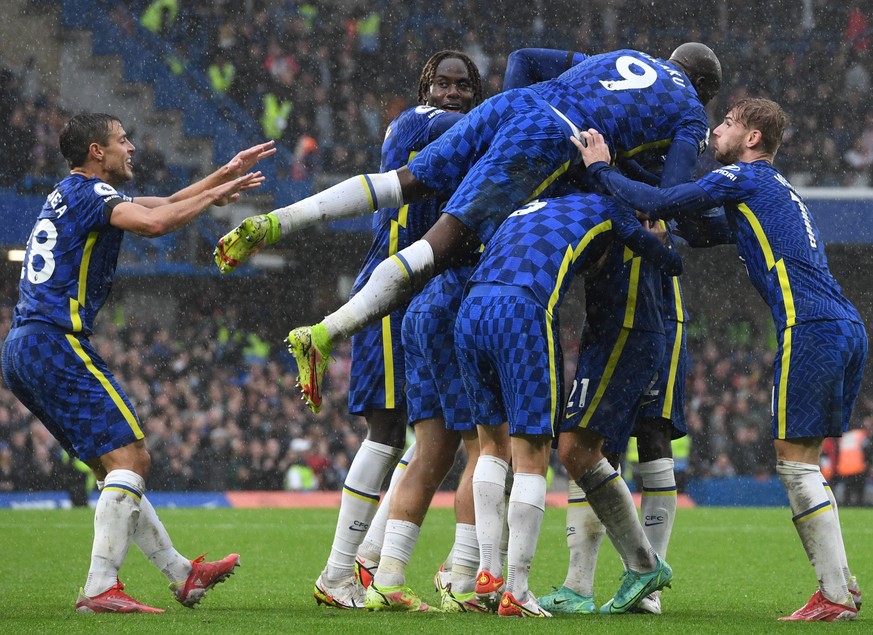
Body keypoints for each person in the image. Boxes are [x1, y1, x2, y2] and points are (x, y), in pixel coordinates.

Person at [213, 43, 722, 412]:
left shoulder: (623, 54)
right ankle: (326, 332)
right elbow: (668, 197)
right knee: (441, 244)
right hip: (549, 138)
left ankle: (278, 220)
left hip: (516, 104)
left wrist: (518, 124)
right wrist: (609, 170)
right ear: (704, 91)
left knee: (403, 181)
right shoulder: (690, 114)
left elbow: (524, 56)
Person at [577, 97, 866, 622]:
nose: (716, 130)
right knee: (805, 460)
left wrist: (601, 168)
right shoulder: (773, 191)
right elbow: (705, 230)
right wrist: (665, 222)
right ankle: (840, 580)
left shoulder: (743, 178)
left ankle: (834, 596)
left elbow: (663, 200)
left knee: (795, 465)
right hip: (844, 325)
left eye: (728, 124)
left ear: (752, 138)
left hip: (812, 327)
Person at [0, 112, 275, 613]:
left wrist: (224, 172)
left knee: (115, 470)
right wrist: (214, 198)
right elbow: (155, 222)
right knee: (133, 458)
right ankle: (100, 587)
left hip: (25, 345)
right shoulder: (92, 195)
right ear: (96, 152)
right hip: (53, 340)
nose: (132, 148)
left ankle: (182, 574)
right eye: (122, 140)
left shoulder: (71, 193)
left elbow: (166, 202)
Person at [304, 51, 484, 611]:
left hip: (430, 295)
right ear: (426, 86)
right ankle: (337, 574)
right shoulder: (416, 123)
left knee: (439, 435)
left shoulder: (467, 140)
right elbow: (475, 130)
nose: (453, 92)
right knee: (387, 427)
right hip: (390, 292)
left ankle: (369, 562)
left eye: (464, 85)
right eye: (444, 82)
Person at [454, 190, 682, 617]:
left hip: (472, 307)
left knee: (494, 446)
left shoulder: (524, 204)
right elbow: (669, 261)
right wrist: (663, 241)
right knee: (533, 451)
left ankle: (489, 573)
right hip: (520, 308)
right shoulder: (611, 205)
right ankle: (519, 590)